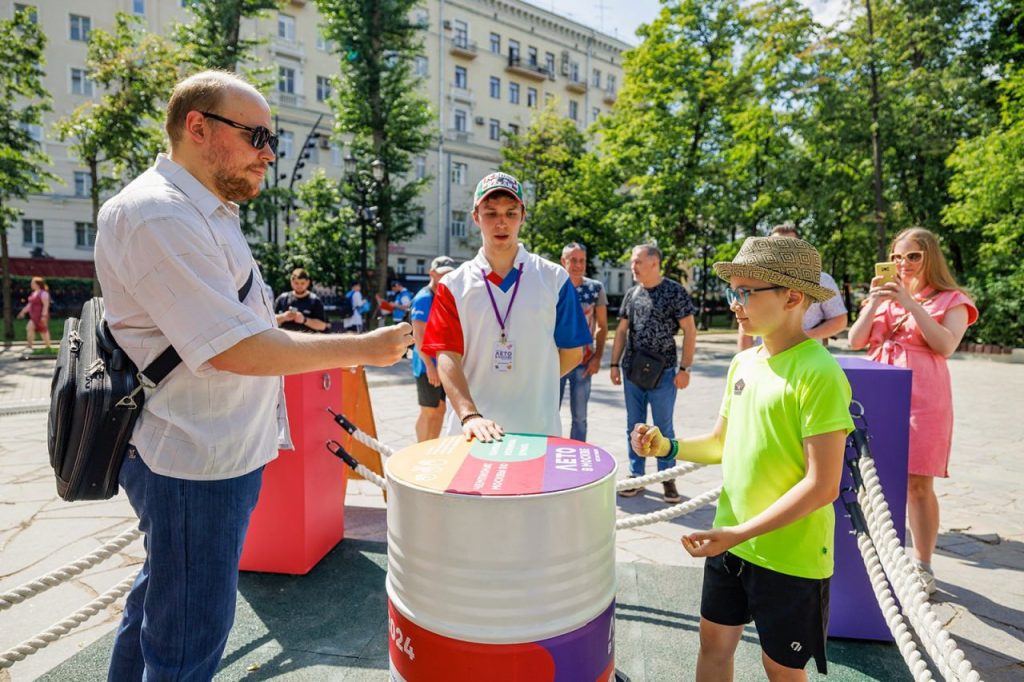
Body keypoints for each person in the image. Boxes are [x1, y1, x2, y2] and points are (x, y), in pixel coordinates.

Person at [94, 70, 412, 681]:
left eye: (274, 139)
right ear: (197, 128)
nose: (270, 153)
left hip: (211, 452)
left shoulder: (203, 210)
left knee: (163, 606)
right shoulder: (158, 214)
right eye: (258, 135)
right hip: (193, 459)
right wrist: (363, 348)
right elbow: (234, 347)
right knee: (188, 638)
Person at [632, 236, 853, 681]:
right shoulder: (744, 363)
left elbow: (823, 485)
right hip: (730, 540)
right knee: (713, 644)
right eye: (733, 292)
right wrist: (666, 446)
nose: (735, 304)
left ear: (792, 296)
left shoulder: (821, 373)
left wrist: (738, 532)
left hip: (790, 557)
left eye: (745, 292)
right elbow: (720, 443)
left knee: (781, 668)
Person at [848, 227, 977, 596]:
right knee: (872, 479)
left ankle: (923, 564)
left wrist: (911, 304)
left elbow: (945, 345)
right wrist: (874, 302)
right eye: (897, 257)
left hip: (924, 396)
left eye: (913, 256)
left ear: (930, 258)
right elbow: (856, 341)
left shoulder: (952, 300)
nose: (903, 264)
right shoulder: (883, 298)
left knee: (919, 483)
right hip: (877, 393)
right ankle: (878, 557)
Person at [421, 171, 592, 441]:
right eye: (491, 213)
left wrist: (533, 380)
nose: (501, 222)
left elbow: (573, 352)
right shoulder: (453, 285)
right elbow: (446, 357)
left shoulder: (553, 278)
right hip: (472, 431)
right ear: (476, 217)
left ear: (522, 216)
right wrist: (469, 414)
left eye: (510, 213)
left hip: (537, 429)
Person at [610, 244, 698, 503]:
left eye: (637, 261)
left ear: (654, 263)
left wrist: (685, 368)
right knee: (633, 425)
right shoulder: (632, 293)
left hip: (665, 373)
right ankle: (636, 475)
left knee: (663, 427)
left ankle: (666, 477)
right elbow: (622, 331)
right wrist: (614, 364)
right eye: (632, 262)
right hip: (633, 371)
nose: (632, 267)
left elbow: (690, 330)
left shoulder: (674, 292)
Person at [737, 223, 847, 351]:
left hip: (807, 356)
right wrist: (744, 358)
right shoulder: (759, 280)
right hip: (763, 357)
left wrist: (801, 339)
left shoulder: (822, 280)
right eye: (776, 245)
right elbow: (746, 317)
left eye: (789, 245)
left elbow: (839, 320)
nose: (782, 250)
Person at [558, 242, 608, 442]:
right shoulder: (555, 286)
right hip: (556, 361)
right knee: (549, 413)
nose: (578, 265)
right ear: (563, 261)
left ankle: (577, 455)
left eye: (582, 260)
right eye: (573, 260)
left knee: (580, 417)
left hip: (584, 362)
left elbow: (602, 326)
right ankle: (548, 452)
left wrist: (597, 358)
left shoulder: (595, 288)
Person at [410, 256, 456, 441]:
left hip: (443, 362)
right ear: (432, 274)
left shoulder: (446, 295)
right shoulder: (423, 298)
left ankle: (432, 447)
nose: (446, 277)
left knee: (441, 409)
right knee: (429, 410)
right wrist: (430, 365)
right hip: (426, 363)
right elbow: (418, 336)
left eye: (449, 274)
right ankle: (420, 449)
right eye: (442, 274)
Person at [274, 267, 329, 333]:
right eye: (296, 283)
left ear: (308, 282)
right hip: (286, 340)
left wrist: (304, 320)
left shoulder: (314, 300)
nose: (299, 286)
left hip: (307, 340)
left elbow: (323, 326)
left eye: (302, 283)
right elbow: (269, 320)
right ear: (291, 282)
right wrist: (284, 317)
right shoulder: (283, 298)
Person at [17, 276, 52, 351]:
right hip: (34, 315)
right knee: (30, 328)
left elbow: (46, 305)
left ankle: (48, 346)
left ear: (38, 284)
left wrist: (43, 316)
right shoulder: (34, 293)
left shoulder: (44, 293)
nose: (31, 285)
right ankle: (30, 346)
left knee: (43, 330)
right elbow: (29, 305)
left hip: (40, 315)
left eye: (32, 283)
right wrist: (22, 312)